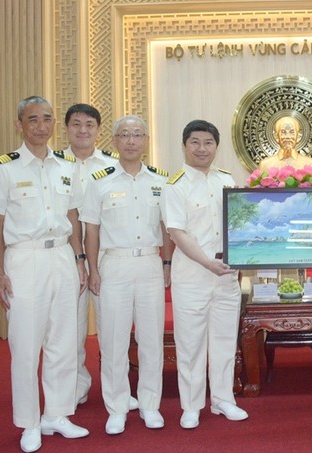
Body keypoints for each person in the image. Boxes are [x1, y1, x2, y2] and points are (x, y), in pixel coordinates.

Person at [0, 96, 89, 452]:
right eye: (32, 120)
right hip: (24, 261)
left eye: (46, 119)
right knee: (26, 346)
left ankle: (57, 414)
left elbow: (72, 216)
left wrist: (78, 258)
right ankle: (29, 422)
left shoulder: (65, 164)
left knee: (63, 342)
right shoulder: (4, 168)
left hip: (61, 257)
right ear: (19, 125)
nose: (40, 126)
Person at [80, 115, 172, 435]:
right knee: (114, 341)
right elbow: (90, 229)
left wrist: (167, 264)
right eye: (125, 135)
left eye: (137, 134)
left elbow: (167, 228)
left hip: (149, 264)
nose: (131, 140)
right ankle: (117, 406)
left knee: (150, 341)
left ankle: (149, 405)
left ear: (146, 140)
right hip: (113, 266)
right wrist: (93, 269)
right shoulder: (99, 179)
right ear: (115, 141)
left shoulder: (161, 180)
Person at [161, 120, 247, 429]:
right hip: (193, 274)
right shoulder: (175, 185)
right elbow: (177, 233)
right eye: (195, 142)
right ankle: (192, 405)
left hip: (226, 273)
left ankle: (223, 400)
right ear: (184, 146)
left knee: (225, 339)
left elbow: (239, 224)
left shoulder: (227, 180)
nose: (202, 148)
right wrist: (207, 263)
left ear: (216, 147)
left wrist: (242, 258)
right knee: (191, 343)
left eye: (208, 142)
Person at [62, 103, 140, 412]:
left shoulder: (112, 164)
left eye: (89, 125)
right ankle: (75, 387)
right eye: (76, 124)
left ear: (98, 130)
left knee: (112, 330)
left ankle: (118, 389)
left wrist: (91, 263)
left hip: (105, 261)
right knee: (70, 329)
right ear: (66, 128)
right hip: (64, 258)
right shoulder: (54, 164)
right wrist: (78, 258)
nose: (83, 130)